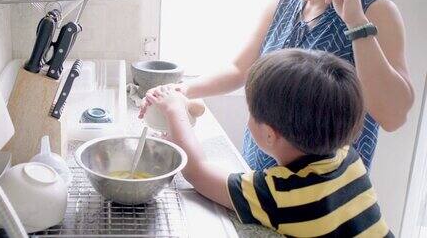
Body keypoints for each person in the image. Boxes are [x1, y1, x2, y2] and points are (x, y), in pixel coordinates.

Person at [141, 0, 414, 171]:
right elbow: (240, 69)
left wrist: (356, 23)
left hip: (324, 202)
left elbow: (393, 116)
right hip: (263, 185)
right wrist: (181, 90)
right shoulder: (285, 3)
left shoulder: (375, 12)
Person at [145, 49, 393, 237]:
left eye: (251, 112)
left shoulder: (282, 195)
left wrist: (175, 110)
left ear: (270, 135)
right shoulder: (348, 157)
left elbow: (198, 172)